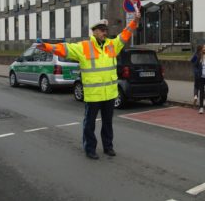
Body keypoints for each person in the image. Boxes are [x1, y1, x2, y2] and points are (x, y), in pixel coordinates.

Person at [37, 13, 141, 159]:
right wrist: (46, 46)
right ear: (94, 31)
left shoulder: (112, 45)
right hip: (93, 95)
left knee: (108, 123)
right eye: (102, 29)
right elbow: (64, 49)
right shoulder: (84, 47)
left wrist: (135, 22)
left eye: (106, 29)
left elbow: (125, 34)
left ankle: (108, 147)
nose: (105, 32)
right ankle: (90, 149)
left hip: (110, 94)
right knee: (89, 124)